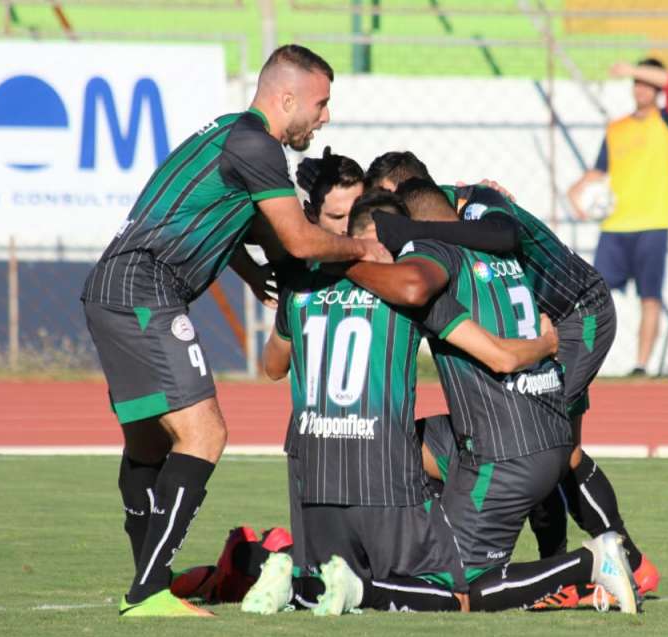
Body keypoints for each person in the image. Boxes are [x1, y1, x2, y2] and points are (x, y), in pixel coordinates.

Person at [80, 44, 391, 618]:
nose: (325, 117)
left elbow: (225, 211)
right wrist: (362, 248)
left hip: (114, 287)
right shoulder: (258, 145)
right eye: (321, 103)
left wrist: (247, 270)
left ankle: (151, 577)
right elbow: (297, 239)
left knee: (149, 443)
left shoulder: (227, 131)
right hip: (146, 288)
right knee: (205, 435)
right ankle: (148, 591)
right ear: (287, 97)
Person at [248, 189, 638, 615]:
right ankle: (590, 561)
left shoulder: (300, 287)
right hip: (381, 472)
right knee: (457, 594)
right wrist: (546, 345)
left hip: (314, 469)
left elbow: (272, 365)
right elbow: (501, 355)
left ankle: (290, 581)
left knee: (333, 573)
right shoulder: (404, 293)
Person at [338, 151, 660, 604]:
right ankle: (567, 567)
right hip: (534, 325)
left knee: (552, 443)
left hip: (575, 313)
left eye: (381, 204)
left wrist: (405, 233)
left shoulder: (477, 202)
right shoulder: (446, 226)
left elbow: (500, 233)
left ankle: (617, 561)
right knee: (523, 439)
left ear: (400, 191)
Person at [567, 57, 668, 377]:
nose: (640, 88)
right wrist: (575, 190)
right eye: (637, 83)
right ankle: (584, 361)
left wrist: (631, 69)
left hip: (653, 223)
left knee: (650, 297)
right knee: (592, 295)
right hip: (616, 224)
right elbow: (600, 169)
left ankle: (641, 365)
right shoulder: (616, 127)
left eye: (646, 82)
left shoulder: (667, 121)